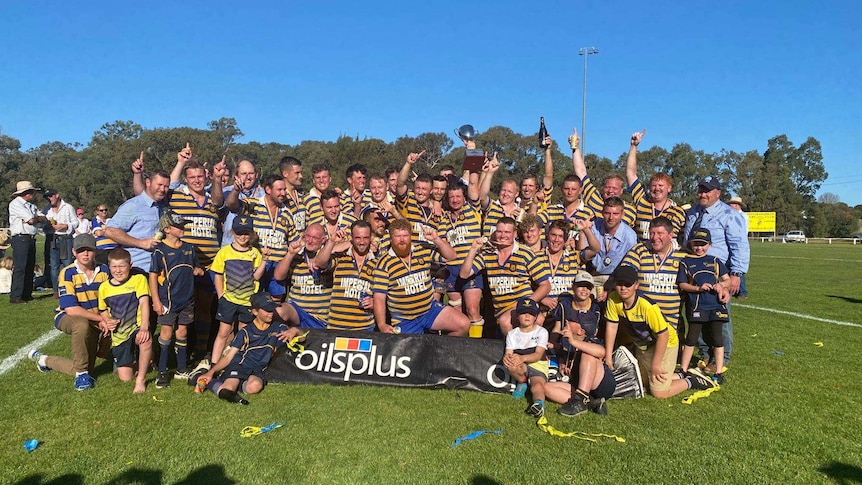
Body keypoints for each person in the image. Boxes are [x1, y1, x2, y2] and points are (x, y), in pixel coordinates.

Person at [603, 265, 716, 398]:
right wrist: (609, 357)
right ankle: (683, 374)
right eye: (619, 284)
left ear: (636, 285)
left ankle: (691, 381)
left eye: (628, 284)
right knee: (643, 383)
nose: (623, 288)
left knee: (659, 392)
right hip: (644, 345)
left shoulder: (647, 306)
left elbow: (663, 335)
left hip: (666, 343)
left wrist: (656, 364)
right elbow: (611, 327)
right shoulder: (612, 299)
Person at [682, 176, 750, 372]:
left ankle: (722, 357)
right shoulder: (694, 212)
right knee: (696, 315)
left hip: (718, 273)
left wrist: (736, 274)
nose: (702, 194)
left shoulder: (729, 214)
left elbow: (739, 246)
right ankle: (704, 354)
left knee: (718, 316)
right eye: (700, 190)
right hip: (694, 272)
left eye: (707, 191)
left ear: (717, 193)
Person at [28, 234, 110, 391]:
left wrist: (107, 320)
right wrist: (100, 319)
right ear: (74, 252)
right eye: (81, 250)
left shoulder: (105, 270)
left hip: (95, 318)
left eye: (89, 250)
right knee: (81, 324)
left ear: (95, 251)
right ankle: (81, 377)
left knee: (85, 367)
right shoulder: (67, 272)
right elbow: (71, 309)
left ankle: (44, 360)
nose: (85, 254)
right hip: (68, 316)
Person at [198, 292, 304, 405]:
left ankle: (233, 384)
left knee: (254, 387)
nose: (271, 313)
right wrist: (211, 371)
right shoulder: (246, 332)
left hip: (258, 368)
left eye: (272, 309)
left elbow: (302, 339)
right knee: (228, 388)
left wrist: (295, 330)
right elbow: (229, 357)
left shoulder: (279, 327)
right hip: (241, 365)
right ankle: (210, 382)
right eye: (267, 310)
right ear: (255, 312)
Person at [371, 219, 469, 335]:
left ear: (411, 236)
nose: (402, 240)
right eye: (398, 236)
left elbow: (451, 256)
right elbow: (379, 297)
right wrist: (382, 324)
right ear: (391, 238)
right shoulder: (384, 263)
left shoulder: (422, 250)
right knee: (413, 351)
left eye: (405, 235)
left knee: (463, 324)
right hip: (405, 320)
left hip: (430, 310)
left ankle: (440, 350)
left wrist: (436, 239)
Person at [459, 217, 551, 335]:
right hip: (503, 310)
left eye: (507, 232)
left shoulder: (525, 253)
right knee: (506, 321)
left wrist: (526, 303)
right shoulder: (488, 254)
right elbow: (464, 274)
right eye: (499, 232)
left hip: (523, 302)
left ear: (515, 234)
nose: (503, 236)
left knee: (537, 320)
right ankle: (513, 352)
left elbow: (546, 285)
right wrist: (473, 249)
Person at [545, 273, 616, 417]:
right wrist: (561, 357)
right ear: (574, 287)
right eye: (580, 286)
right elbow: (557, 333)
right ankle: (590, 403)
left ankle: (580, 400)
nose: (568, 323)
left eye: (588, 287)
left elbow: (601, 352)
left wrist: (572, 341)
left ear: (582, 329)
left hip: (600, 383)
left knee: (588, 355)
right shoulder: (565, 310)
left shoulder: (590, 338)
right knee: (546, 388)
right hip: (579, 383)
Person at [149, 211, 204, 388]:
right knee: (166, 334)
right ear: (166, 229)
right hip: (168, 301)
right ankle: (162, 372)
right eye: (179, 226)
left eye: (183, 225)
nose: (183, 229)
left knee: (182, 332)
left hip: (187, 300)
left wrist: (198, 271)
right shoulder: (160, 250)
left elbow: (196, 267)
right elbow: (153, 276)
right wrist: (156, 301)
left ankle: (181, 368)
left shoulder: (189, 248)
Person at [225, 173, 296, 298]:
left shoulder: (287, 213)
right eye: (279, 189)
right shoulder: (253, 205)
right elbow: (231, 205)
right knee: (253, 301)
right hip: (255, 263)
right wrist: (236, 190)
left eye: (284, 189)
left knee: (276, 304)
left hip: (278, 266)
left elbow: (293, 241)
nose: (283, 193)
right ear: (268, 190)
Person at [210, 215, 267, 368]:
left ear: (251, 234)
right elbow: (218, 275)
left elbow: (256, 276)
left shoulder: (255, 252)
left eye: (246, 233)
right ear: (233, 232)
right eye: (239, 232)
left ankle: (238, 363)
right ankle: (214, 364)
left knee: (243, 333)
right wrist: (221, 295)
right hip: (228, 299)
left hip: (248, 300)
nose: (242, 236)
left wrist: (265, 261)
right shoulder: (224, 252)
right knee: (223, 332)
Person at [677, 228, 731, 385]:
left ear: (709, 245)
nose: (699, 248)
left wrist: (719, 286)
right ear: (691, 244)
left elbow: (727, 280)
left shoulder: (714, 261)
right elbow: (682, 285)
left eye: (703, 245)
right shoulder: (685, 262)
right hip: (696, 307)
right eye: (696, 244)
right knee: (691, 338)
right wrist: (698, 289)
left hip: (716, 306)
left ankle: (719, 372)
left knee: (717, 339)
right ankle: (684, 370)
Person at [97, 248, 153, 394]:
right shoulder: (104, 288)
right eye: (114, 266)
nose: (118, 270)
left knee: (145, 340)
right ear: (109, 267)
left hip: (137, 327)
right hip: (119, 334)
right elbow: (102, 310)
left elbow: (144, 303)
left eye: (122, 266)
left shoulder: (139, 280)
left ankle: (141, 379)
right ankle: (145, 360)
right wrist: (107, 320)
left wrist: (144, 327)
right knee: (126, 378)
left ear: (130, 265)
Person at [621, 216, 689, 330]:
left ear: (671, 234)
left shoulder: (683, 254)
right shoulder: (639, 250)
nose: (655, 237)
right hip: (642, 319)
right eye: (652, 233)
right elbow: (624, 274)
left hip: (672, 320)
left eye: (660, 233)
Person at [105, 153, 169, 272]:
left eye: (166, 186)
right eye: (159, 185)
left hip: (158, 271)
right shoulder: (133, 205)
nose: (162, 189)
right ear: (148, 183)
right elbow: (110, 231)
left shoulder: (162, 208)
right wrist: (140, 243)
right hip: (138, 269)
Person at [314, 220, 377, 331]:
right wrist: (332, 242)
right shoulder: (340, 257)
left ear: (371, 237)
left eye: (365, 238)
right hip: (336, 326)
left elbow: (386, 293)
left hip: (364, 327)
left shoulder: (378, 262)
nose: (362, 242)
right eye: (358, 238)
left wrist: (375, 302)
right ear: (351, 238)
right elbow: (319, 263)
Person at [625, 130, 687, 242]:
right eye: (653, 185)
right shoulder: (642, 201)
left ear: (669, 188)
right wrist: (634, 146)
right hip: (643, 255)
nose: (656, 188)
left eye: (660, 185)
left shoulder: (679, 212)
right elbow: (631, 173)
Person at [568, 128, 636, 227]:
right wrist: (575, 147)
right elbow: (581, 172)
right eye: (608, 187)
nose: (611, 191)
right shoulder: (594, 198)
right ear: (602, 188)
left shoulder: (630, 210)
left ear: (621, 191)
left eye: (615, 188)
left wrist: (634, 146)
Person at [273, 223, 332, 330]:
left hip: (320, 317)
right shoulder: (297, 257)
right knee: (279, 311)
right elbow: (278, 276)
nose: (309, 240)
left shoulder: (328, 257)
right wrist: (290, 254)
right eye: (307, 236)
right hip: (297, 311)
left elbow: (324, 261)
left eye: (314, 238)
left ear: (323, 239)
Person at [503, 297, 549, 418]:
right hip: (522, 365)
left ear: (536, 317)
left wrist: (522, 358)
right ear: (517, 316)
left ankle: (538, 404)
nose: (527, 316)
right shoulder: (512, 334)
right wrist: (507, 358)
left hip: (538, 364)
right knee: (510, 364)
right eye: (523, 313)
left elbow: (538, 355)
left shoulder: (542, 332)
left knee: (537, 385)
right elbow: (509, 353)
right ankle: (522, 382)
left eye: (531, 314)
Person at [588, 197, 638, 297]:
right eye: (607, 213)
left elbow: (629, 267)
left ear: (622, 215)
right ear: (602, 213)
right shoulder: (593, 227)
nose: (611, 217)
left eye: (615, 214)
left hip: (615, 279)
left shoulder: (629, 236)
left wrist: (612, 289)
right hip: (593, 276)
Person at [8, 181, 48, 304]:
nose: (33, 194)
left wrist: (34, 219)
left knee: (30, 266)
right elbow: (31, 220)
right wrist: (35, 219)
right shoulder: (15, 204)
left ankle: (27, 294)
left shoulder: (31, 206)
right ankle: (16, 296)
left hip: (30, 237)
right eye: (31, 192)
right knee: (20, 267)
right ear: (25, 193)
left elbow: (42, 218)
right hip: (20, 237)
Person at [44, 189, 79, 298]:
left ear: (57, 195)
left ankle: (69, 288)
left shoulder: (68, 207)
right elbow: (41, 225)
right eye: (47, 197)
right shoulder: (46, 210)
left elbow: (76, 222)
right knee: (53, 266)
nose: (49, 199)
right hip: (52, 238)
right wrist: (47, 227)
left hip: (65, 238)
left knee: (67, 264)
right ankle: (56, 290)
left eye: (51, 196)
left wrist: (66, 226)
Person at [221, 159, 265, 247]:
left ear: (256, 175)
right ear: (236, 176)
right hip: (230, 246)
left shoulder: (263, 194)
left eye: (251, 173)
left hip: (255, 248)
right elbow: (231, 204)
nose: (248, 177)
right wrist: (236, 190)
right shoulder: (226, 192)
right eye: (243, 174)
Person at [279, 156, 308, 234]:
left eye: (301, 173)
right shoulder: (280, 197)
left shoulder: (301, 194)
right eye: (297, 173)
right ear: (285, 174)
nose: (301, 176)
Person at [727, 196, 749, 298]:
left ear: (736, 205)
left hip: (738, 244)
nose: (729, 206)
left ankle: (742, 291)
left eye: (731, 204)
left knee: (737, 268)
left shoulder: (741, 216)